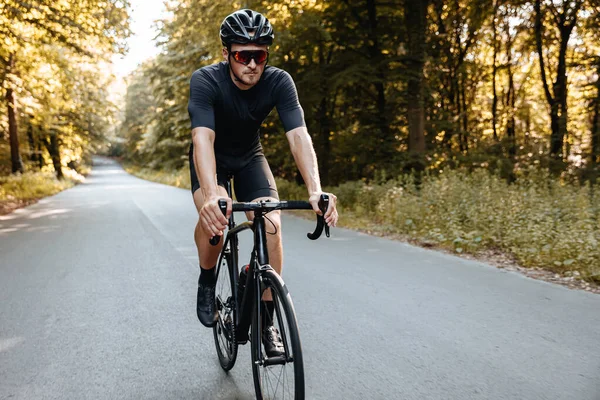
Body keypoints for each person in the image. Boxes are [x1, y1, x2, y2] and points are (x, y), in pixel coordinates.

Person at [187, 9, 339, 357]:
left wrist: (315, 189)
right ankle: (207, 278)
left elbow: (299, 136)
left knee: (271, 224)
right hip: (212, 160)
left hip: (249, 158)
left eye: (260, 56)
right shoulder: (206, 81)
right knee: (217, 218)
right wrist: (211, 196)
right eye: (243, 55)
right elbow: (202, 139)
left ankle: (267, 321)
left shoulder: (279, 82)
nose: (252, 64)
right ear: (226, 53)